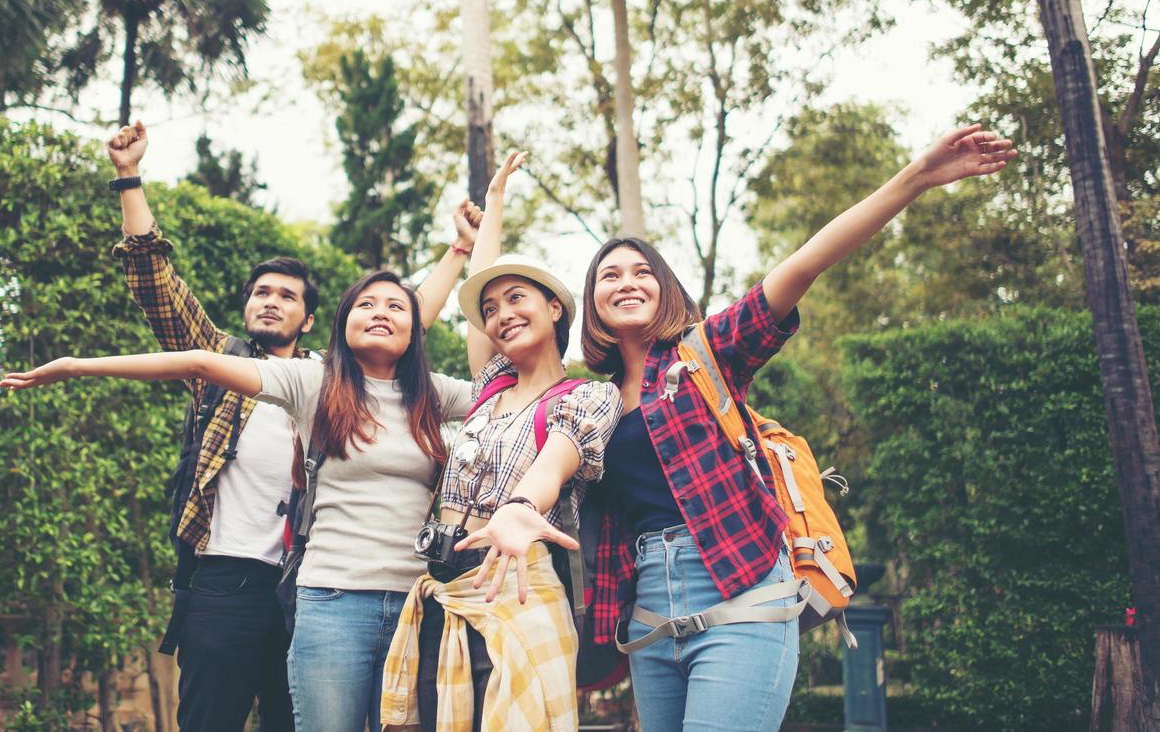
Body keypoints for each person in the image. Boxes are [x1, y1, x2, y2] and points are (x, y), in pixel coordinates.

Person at [467, 124, 1016, 732]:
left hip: (739, 588)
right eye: (609, 277)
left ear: (665, 288)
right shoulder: (583, 398)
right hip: (647, 616)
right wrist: (491, 215)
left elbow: (805, 263)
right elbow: (491, 316)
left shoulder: (707, 356)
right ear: (587, 305)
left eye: (640, 272)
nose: (625, 283)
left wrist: (915, 178)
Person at [103, 121, 479, 732]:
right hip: (226, 578)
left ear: (310, 320)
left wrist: (459, 252)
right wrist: (129, 177)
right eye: (259, 293)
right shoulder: (222, 369)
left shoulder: (334, 380)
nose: (269, 302)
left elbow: (405, 323)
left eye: (285, 296)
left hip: (311, 583)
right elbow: (158, 290)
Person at [1, 255, 482, 732]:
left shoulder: (418, 392)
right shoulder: (310, 381)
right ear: (341, 324)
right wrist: (76, 366)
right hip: (299, 590)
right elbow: (198, 361)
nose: (381, 313)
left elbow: (472, 362)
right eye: (366, 304)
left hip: (391, 598)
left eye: (394, 308)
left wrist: (464, 250)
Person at [378, 151, 623, 732]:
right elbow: (476, 288)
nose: (502, 315)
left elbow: (556, 458)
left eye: (518, 299)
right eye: (492, 309)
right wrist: (494, 203)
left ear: (554, 307)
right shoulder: (490, 384)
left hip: (518, 588)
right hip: (446, 587)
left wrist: (519, 507)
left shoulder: (585, 398)